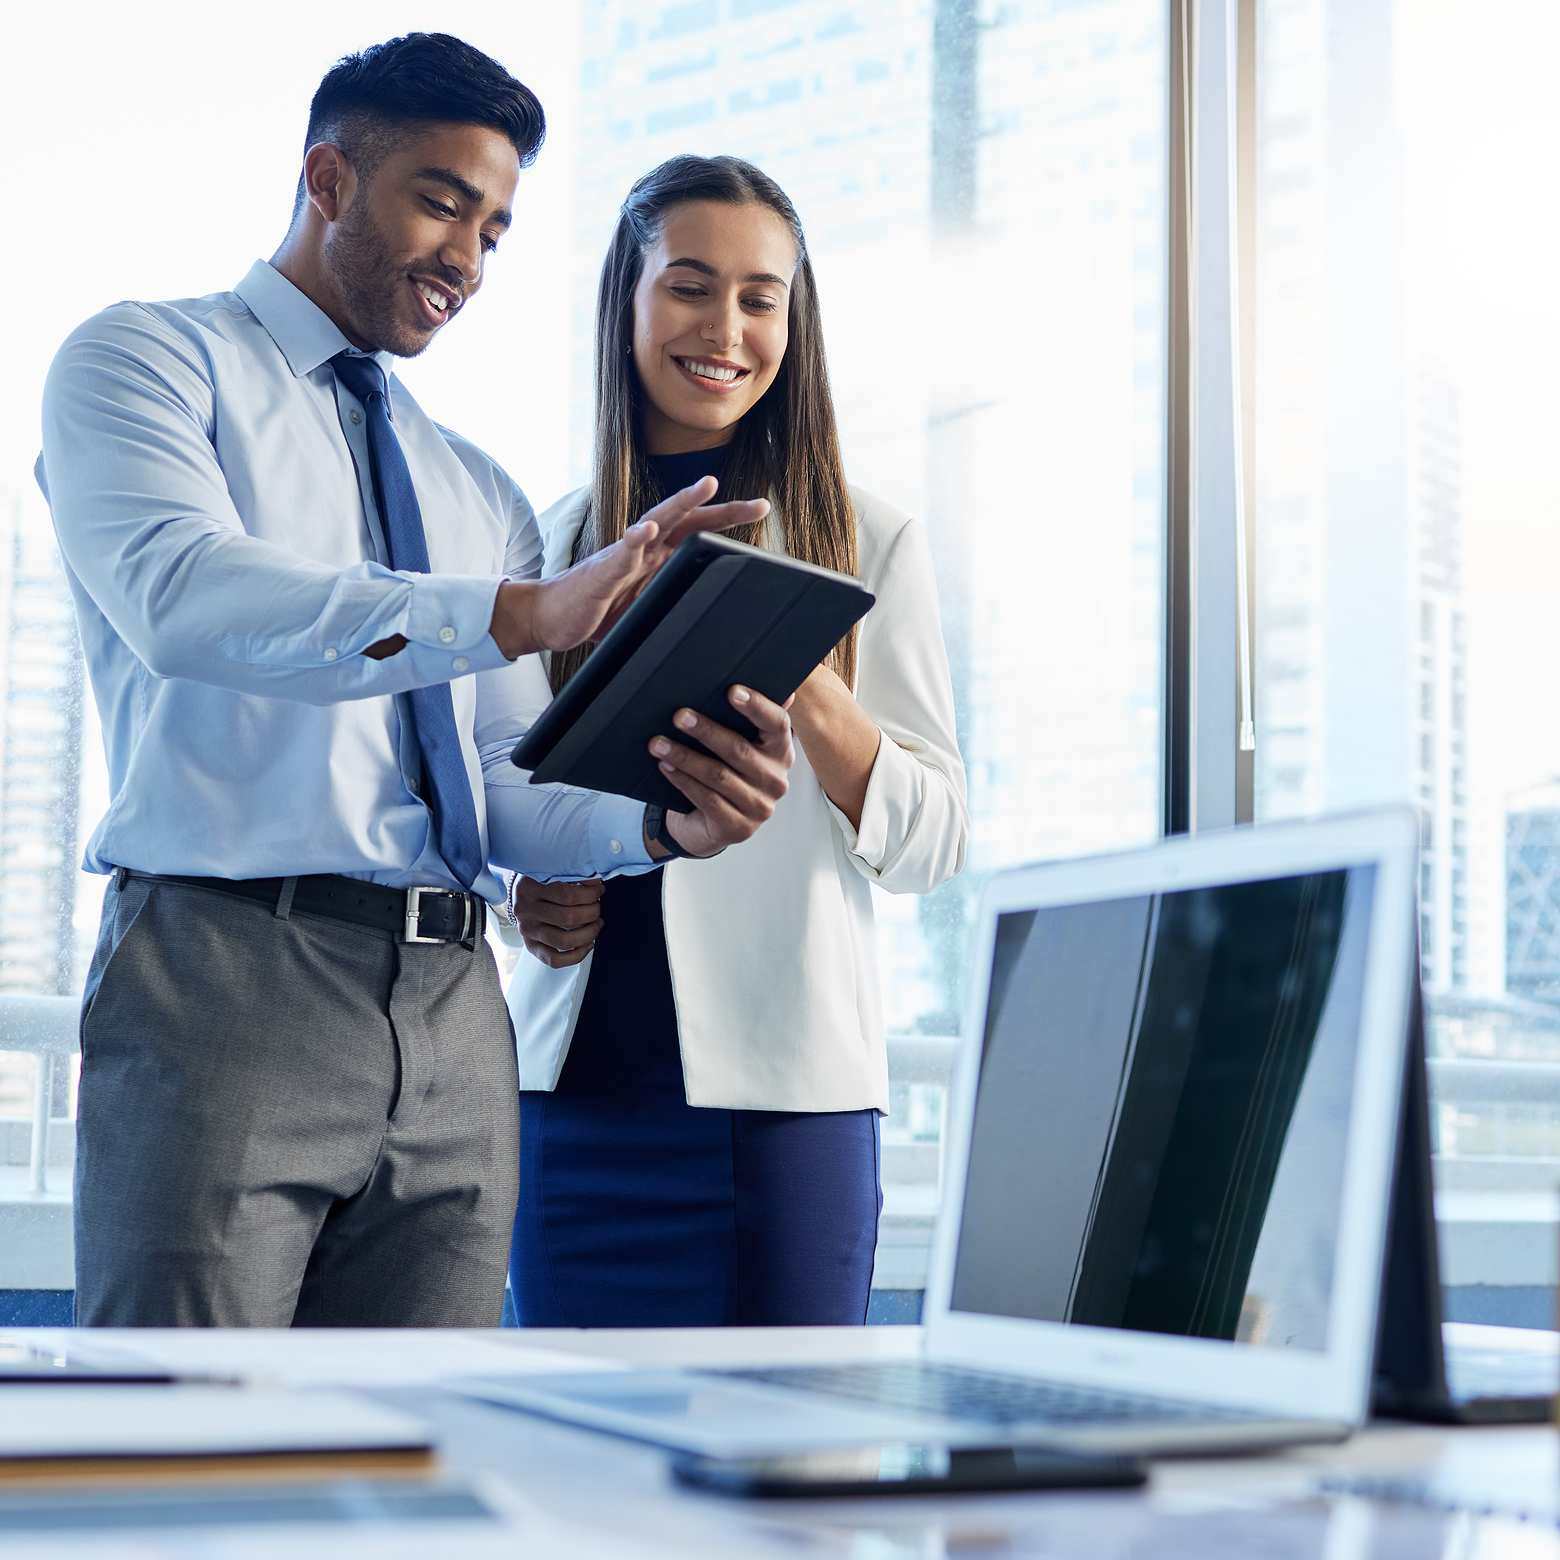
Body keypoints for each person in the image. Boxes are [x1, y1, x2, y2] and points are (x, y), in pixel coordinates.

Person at [36, 36, 794, 1329]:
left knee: (412, 1475)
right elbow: (185, 599)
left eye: (495, 229)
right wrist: (512, 613)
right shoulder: (146, 363)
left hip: (454, 1015)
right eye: (442, 202)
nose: (469, 258)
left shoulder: (473, 488)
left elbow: (501, 784)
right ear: (329, 178)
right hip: (228, 974)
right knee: (184, 1458)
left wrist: (660, 821)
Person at [505, 155, 968, 1328]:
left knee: (795, 1486)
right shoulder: (549, 542)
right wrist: (527, 891)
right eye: (691, 287)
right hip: (576, 1100)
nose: (726, 328)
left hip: (786, 1110)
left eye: (761, 298)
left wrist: (811, 680)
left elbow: (935, 842)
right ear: (627, 300)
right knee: (579, 1487)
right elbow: (503, 800)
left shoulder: (871, 539)